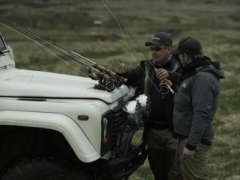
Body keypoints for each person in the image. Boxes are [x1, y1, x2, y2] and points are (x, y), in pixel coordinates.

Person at [112, 32, 182, 180]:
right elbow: (132, 77)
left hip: (173, 132)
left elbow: (186, 83)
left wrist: (171, 76)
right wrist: (123, 73)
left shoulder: (179, 67)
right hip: (152, 131)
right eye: (152, 49)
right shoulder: (147, 66)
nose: (153, 52)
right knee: (158, 171)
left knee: (175, 173)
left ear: (169, 49)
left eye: (158, 49)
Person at [166, 37, 225, 180]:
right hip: (185, 136)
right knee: (176, 175)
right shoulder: (194, 73)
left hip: (193, 140)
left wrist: (191, 145)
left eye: (179, 56)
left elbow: (202, 114)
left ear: (186, 56)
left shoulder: (203, 78)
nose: (179, 59)